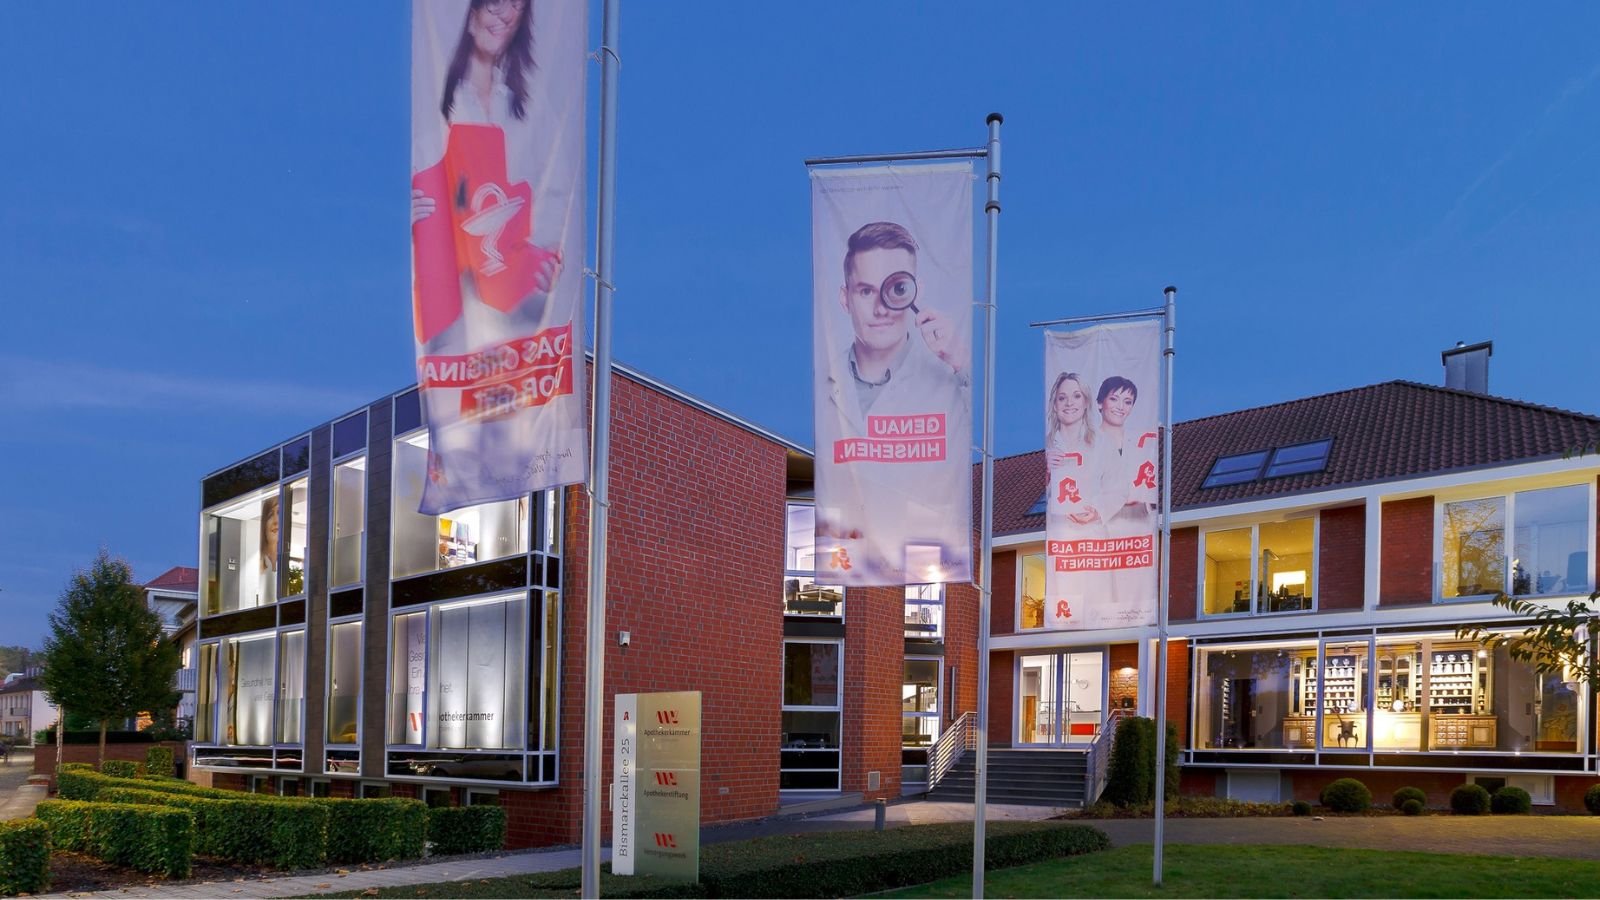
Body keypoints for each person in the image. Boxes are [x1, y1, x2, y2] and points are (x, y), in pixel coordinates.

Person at [815, 221, 971, 585]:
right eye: (866, 291)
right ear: (845, 298)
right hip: (850, 561)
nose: (882, 307)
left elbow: (985, 429)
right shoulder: (824, 384)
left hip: (923, 559)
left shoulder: (952, 379)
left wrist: (962, 363)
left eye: (896, 289)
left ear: (915, 292)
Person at [412, 0, 560, 298]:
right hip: (454, 295)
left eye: (517, 6)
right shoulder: (437, 106)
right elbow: (418, 179)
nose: (507, 15)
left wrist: (554, 254)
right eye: (495, 4)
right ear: (471, 16)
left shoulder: (533, 110)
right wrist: (408, 216)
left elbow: (559, 194)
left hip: (521, 302)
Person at [1043, 372, 1113, 627]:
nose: (1069, 403)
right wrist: (1047, 470)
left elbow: (1117, 486)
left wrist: (1098, 511)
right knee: (1066, 616)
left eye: (1076, 396)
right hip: (1061, 542)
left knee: (1095, 611)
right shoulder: (1047, 446)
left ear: (1085, 402)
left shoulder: (1101, 443)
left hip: (1092, 541)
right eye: (1062, 398)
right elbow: (1041, 498)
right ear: (1054, 404)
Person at [1094, 375, 1159, 625]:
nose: (1121, 406)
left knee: (1133, 584)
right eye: (1114, 399)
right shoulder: (1086, 445)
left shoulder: (1142, 445)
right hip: (1101, 525)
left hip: (1137, 525)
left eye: (1128, 401)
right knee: (1106, 586)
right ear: (1100, 403)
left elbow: (1147, 486)